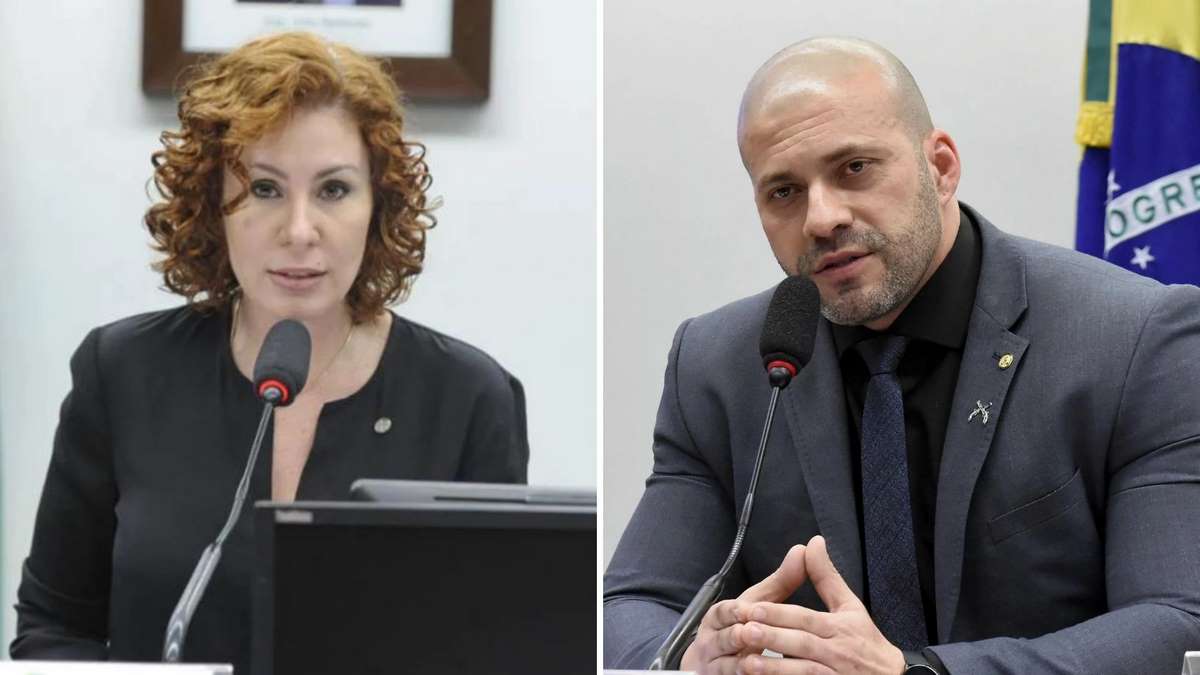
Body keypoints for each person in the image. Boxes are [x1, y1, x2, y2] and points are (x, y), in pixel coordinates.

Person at [604, 36, 1200, 674]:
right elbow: (631, 605)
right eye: (783, 192)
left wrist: (917, 674)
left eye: (854, 168)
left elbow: (1178, 619)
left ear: (940, 166)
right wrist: (693, 658)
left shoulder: (1135, 337)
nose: (821, 218)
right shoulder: (720, 364)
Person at [12, 31, 529, 671]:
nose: (300, 230)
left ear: (379, 206)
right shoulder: (120, 371)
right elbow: (55, 628)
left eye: (334, 190)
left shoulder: (468, 396)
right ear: (212, 203)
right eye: (264, 189)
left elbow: (496, 647)